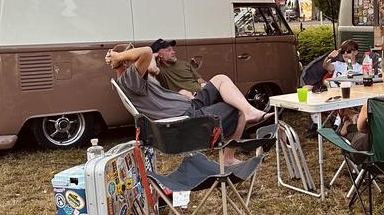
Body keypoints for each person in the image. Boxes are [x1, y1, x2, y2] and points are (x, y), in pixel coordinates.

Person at [106, 45, 272, 161]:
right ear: (126, 62)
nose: (136, 61)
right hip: (185, 118)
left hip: (190, 105)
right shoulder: (129, 80)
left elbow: (150, 63)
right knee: (237, 110)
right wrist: (118, 57)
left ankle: (249, 110)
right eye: (131, 57)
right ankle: (228, 158)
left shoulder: (132, 80)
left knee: (220, 79)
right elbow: (147, 52)